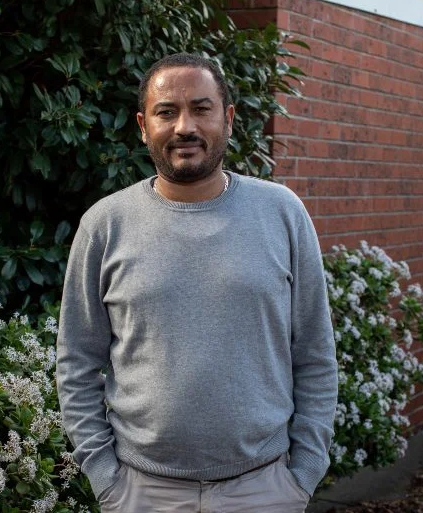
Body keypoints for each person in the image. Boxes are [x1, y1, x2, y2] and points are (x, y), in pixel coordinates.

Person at [56, 52, 338, 512]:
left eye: (201, 108)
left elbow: (314, 351)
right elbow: (76, 359)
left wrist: (303, 472)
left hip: (264, 490)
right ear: (143, 125)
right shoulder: (105, 226)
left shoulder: (282, 213)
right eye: (166, 112)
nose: (184, 126)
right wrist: (105, 477)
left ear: (227, 119)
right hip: (141, 493)